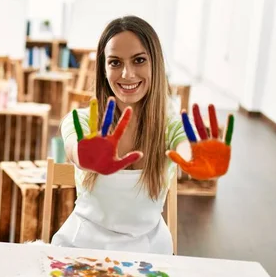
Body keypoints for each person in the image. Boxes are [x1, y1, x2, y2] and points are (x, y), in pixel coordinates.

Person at [51, 15, 233, 255]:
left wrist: (194, 160)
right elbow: (74, 147)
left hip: (150, 252)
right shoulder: (82, 121)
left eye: (139, 60)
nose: (127, 74)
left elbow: (184, 146)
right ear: (104, 69)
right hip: (81, 247)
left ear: (155, 64)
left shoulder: (170, 126)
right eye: (115, 63)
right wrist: (84, 156)